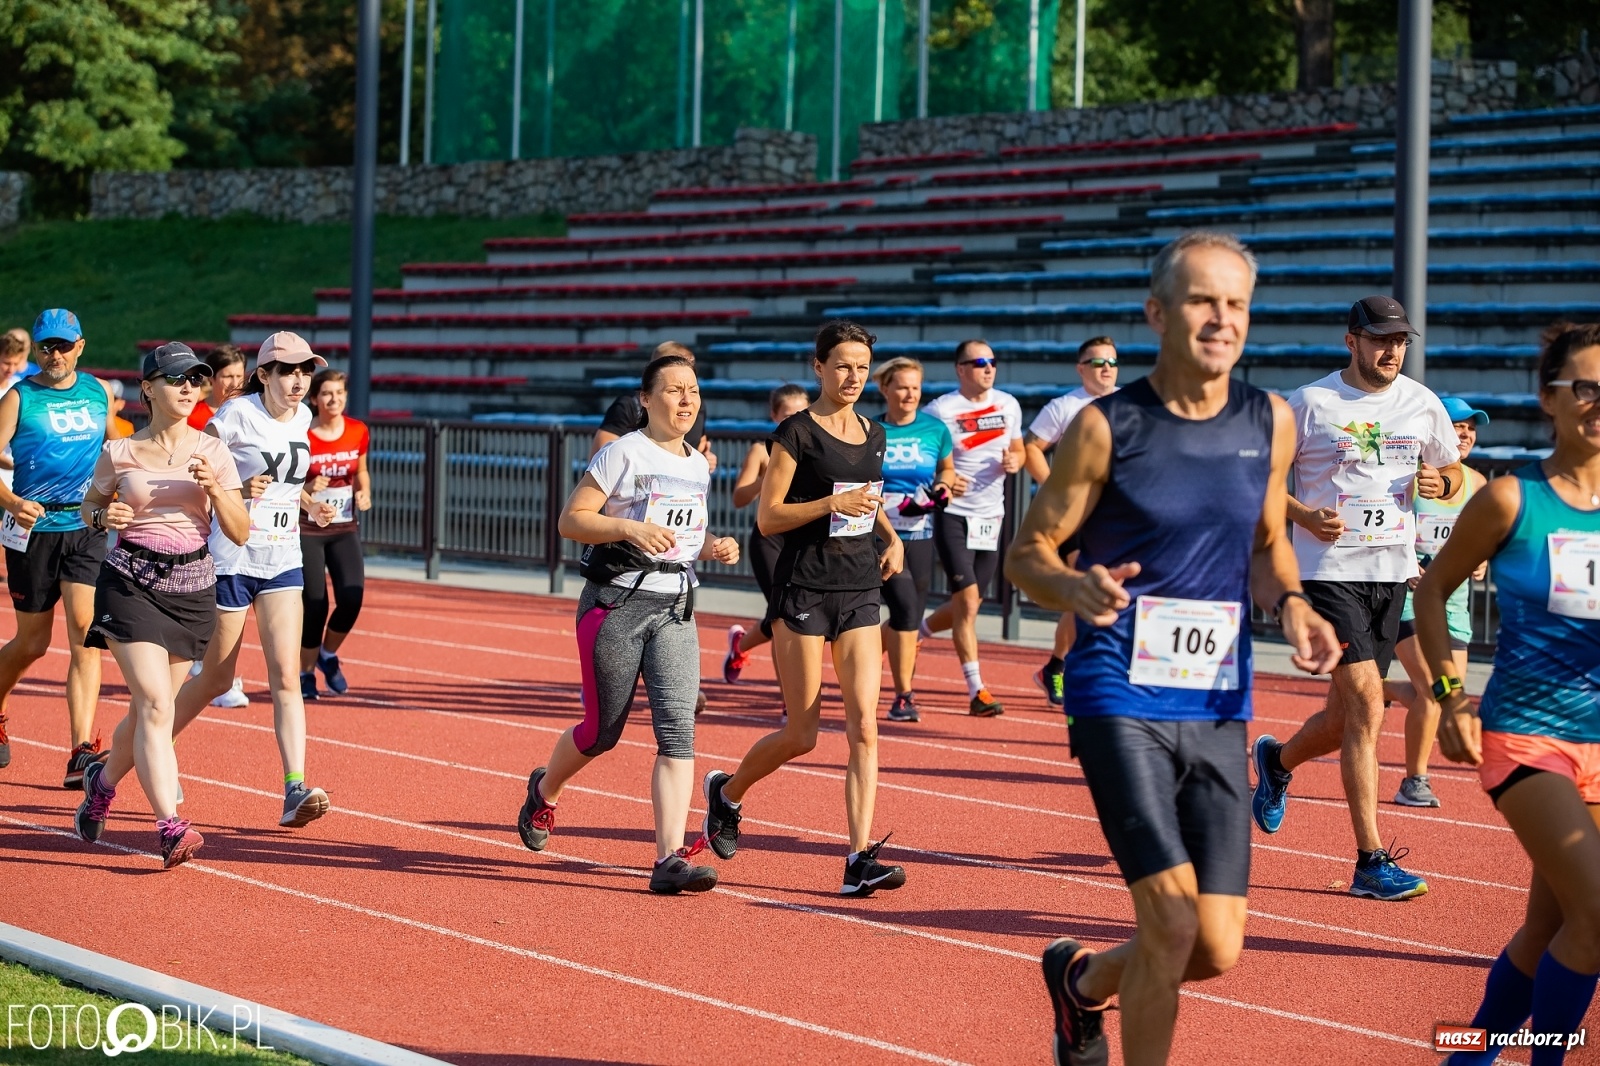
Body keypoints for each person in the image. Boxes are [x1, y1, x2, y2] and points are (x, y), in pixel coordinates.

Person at [1005, 230, 1340, 1066]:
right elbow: (1025, 554)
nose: (1220, 319)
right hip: (1118, 693)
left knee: (1215, 947)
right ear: (1158, 312)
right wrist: (1075, 588)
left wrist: (1293, 604)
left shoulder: (1271, 421)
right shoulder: (1106, 427)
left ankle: (1081, 987)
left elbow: (1268, 542)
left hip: (1218, 701)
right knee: (1171, 920)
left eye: (1236, 304)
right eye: (1201, 300)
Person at [1417, 323, 1600, 1066]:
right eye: (1585, 386)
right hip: (1527, 733)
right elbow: (1432, 592)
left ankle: (1467, 1054)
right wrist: (1452, 693)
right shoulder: (1510, 500)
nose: (1599, 403)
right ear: (1547, 399)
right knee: (1596, 915)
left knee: (1546, 928)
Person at [1250, 295, 1464, 902]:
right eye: (1379, 340)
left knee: (1345, 717)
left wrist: (1437, 481)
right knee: (1370, 706)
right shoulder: (1311, 402)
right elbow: (1260, 480)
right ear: (1352, 341)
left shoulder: (1422, 403)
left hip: (1391, 573)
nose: (1391, 350)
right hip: (1327, 573)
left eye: (1400, 341)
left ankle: (1277, 763)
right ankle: (1370, 861)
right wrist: (1303, 516)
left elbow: (1452, 473)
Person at [515, 353, 740, 894]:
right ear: (646, 399)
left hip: (675, 608)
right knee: (601, 734)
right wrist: (626, 529)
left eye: (693, 391)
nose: (687, 401)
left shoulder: (697, 463)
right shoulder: (622, 454)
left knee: (677, 731)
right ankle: (544, 791)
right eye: (674, 391)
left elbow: (681, 539)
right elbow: (572, 521)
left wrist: (713, 546)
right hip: (614, 604)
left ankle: (668, 860)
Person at [700, 321, 908, 897]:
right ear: (819, 367)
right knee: (804, 733)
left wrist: (890, 534)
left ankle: (857, 857)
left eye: (863, 367)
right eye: (843, 365)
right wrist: (830, 503)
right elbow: (768, 518)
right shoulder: (795, 432)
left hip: (861, 588)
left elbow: (869, 493)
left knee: (865, 725)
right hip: (805, 589)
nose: (854, 377)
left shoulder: (873, 432)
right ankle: (728, 791)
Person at [97, 331, 333, 829]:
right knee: (216, 679)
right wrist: (237, 491)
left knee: (287, 676)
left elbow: (289, 485)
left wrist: (312, 504)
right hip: (228, 561)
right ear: (263, 375)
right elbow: (199, 469)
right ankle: (157, 745)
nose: (299, 382)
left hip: (282, 557)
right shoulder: (233, 417)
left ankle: (294, 785)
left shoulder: (307, 417)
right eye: (288, 371)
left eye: (306, 371)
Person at [72, 343, 250, 868]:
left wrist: (217, 490)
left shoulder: (213, 451)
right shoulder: (120, 452)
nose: (190, 387)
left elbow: (239, 532)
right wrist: (107, 520)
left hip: (192, 589)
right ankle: (171, 826)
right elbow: (90, 507)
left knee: (154, 711)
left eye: (196, 378)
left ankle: (101, 785)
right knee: (153, 703)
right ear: (148, 388)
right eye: (177, 379)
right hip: (130, 584)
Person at [0, 309, 117, 787]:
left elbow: (119, 449)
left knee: (87, 633)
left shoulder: (97, 392)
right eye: (47, 346)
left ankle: (79, 751)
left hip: (85, 523)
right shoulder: (19, 397)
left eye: (63, 346)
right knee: (32, 643)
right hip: (32, 528)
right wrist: (10, 499)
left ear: (80, 347)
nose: (54, 354)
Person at [1381, 395, 1490, 808]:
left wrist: (1479, 560)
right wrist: (1405, 559)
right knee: (1433, 688)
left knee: (1447, 694)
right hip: (1410, 598)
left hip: (1454, 603)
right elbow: (1384, 524)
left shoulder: (1477, 483)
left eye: (1470, 428)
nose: (1463, 434)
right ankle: (1414, 781)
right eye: (1456, 425)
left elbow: (1481, 539)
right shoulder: (1409, 476)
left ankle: (1385, 691)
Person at [921, 339, 1025, 717]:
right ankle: (977, 689)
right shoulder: (942, 410)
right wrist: (944, 476)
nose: (988, 368)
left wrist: (1017, 460)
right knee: (966, 601)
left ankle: (915, 633)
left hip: (990, 516)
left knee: (972, 602)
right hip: (954, 513)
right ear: (960, 369)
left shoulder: (1008, 404)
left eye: (993, 361)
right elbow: (922, 457)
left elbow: (1021, 449)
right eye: (979, 362)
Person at [1023, 337, 1121, 707]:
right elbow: (1031, 446)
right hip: (1076, 515)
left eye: (1112, 361)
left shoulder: (1129, 401)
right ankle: (1071, 667)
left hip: (1119, 513)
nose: (1107, 368)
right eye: (1098, 363)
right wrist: (1056, 488)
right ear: (1081, 369)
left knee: (1110, 588)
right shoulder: (1064, 406)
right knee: (1086, 582)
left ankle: (1059, 665)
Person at [874, 356, 962, 723]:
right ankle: (903, 696)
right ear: (885, 389)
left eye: (915, 387)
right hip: (881, 534)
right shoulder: (871, 430)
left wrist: (943, 487)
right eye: (902, 386)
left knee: (906, 618)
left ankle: (856, 659)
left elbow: (947, 470)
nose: (909, 394)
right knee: (906, 611)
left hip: (922, 532)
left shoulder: (935, 429)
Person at [724, 384, 809, 694]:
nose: (796, 420)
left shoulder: (815, 446)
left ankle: (740, 644)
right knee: (783, 618)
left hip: (802, 538)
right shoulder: (762, 450)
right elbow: (738, 498)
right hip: (769, 539)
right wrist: (767, 476)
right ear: (774, 415)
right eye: (788, 414)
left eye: (802, 413)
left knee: (793, 614)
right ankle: (789, 697)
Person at [299, 369, 372, 701]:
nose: (334, 399)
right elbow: (287, 481)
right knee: (315, 605)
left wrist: (364, 492)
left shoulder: (357, 430)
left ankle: (328, 655)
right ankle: (305, 672)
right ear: (314, 398)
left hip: (343, 526)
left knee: (352, 598)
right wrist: (310, 489)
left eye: (339, 393)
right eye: (327, 393)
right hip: (307, 527)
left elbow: (361, 471)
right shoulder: (302, 433)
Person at [188, 343, 254, 709]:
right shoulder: (197, 418)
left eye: (238, 376)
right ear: (211, 379)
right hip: (200, 515)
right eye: (226, 376)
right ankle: (206, 663)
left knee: (230, 592)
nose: (233, 383)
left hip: (235, 517)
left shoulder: (248, 414)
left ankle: (212, 665)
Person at [187, 344, 248, 431]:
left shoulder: (251, 413)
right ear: (211, 377)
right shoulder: (191, 417)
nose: (235, 384)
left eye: (239, 376)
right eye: (228, 376)